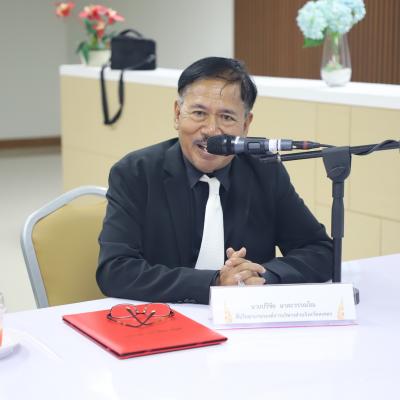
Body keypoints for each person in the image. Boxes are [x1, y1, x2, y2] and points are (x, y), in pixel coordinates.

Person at [97, 56, 333, 304]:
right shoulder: (135, 173)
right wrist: (214, 283)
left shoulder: (265, 170)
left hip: (245, 318)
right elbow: (115, 270)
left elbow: (321, 251)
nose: (211, 130)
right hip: (164, 317)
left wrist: (262, 276)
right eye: (199, 113)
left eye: (227, 117)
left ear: (246, 124)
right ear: (177, 114)